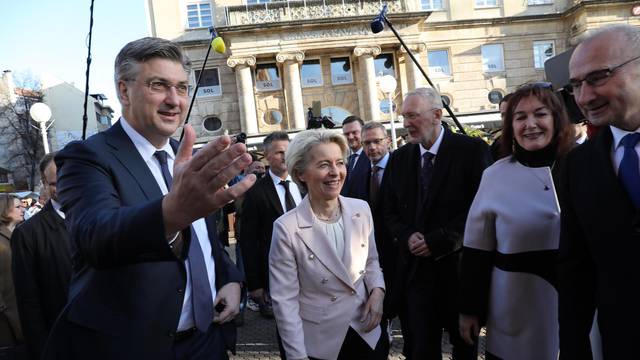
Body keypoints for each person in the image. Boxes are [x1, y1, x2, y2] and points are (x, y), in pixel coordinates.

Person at [43, 37, 254, 360]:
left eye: (182, 88)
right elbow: (96, 235)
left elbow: (205, 242)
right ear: (124, 91)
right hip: (135, 348)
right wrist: (170, 214)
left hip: (207, 342)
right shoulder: (86, 157)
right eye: (159, 85)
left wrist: (229, 278)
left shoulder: (184, 159)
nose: (174, 100)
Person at [458, 83, 574, 360]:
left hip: (581, 304)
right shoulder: (495, 175)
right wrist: (469, 309)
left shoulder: (584, 164)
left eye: (540, 114)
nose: (530, 124)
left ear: (556, 118)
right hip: (516, 305)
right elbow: (476, 251)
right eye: (520, 117)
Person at [382, 87, 490, 360]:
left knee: (464, 350)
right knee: (420, 350)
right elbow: (389, 211)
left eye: (413, 116)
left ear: (437, 115)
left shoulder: (472, 150)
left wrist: (439, 240)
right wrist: (407, 236)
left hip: (460, 274)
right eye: (404, 116)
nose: (406, 124)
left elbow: (483, 209)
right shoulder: (399, 159)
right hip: (417, 277)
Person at [559, 24, 640, 359]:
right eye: (576, 85)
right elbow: (576, 273)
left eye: (598, 77)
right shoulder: (578, 166)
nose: (584, 97)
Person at [269, 129, 386, 360]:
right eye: (324, 165)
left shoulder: (361, 209)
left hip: (366, 333)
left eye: (340, 163)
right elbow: (285, 302)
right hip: (322, 344)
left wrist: (378, 291)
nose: (335, 173)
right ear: (301, 173)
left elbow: (371, 261)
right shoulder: (286, 227)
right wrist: (297, 356)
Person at [11, 153, 73, 360]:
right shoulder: (27, 234)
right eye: (55, 183)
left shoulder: (101, 217)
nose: (63, 187)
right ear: (44, 184)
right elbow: (29, 302)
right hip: (63, 344)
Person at [360, 121, 394, 357]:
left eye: (376, 141)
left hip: (402, 254)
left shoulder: (402, 169)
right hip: (372, 258)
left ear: (388, 141)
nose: (372, 147)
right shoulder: (359, 173)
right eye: (367, 143)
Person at [0, 194, 24, 356]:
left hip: (19, 310)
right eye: (17, 207)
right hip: (5, 318)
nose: (23, 209)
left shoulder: (17, 234)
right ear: (4, 210)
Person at [341, 116, 371, 198]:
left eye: (354, 132)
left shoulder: (372, 157)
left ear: (363, 132)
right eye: (346, 134)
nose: (350, 137)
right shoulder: (346, 160)